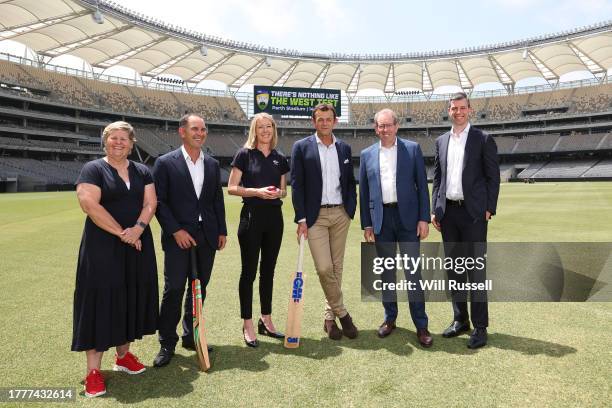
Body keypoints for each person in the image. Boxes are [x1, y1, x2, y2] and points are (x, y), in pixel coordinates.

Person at [72, 121, 158, 397]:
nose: (118, 143)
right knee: (99, 300)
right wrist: (124, 233)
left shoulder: (143, 170)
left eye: (123, 139)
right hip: (102, 247)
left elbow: (150, 203)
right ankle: (93, 373)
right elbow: (89, 204)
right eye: (113, 138)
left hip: (138, 242)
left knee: (129, 296)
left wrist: (139, 230)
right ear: (105, 142)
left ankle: (123, 357)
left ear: (132, 144)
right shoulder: (93, 169)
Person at [152, 113, 227, 367]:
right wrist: (175, 231)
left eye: (203, 129)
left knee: (198, 289)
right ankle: (166, 342)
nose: (200, 133)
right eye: (195, 129)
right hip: (178, 238)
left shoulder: (213, 164)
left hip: (207, 236)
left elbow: (217, 199)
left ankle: (190, 336)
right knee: (174, 289)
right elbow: (158, 202)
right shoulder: (165, 163)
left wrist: (221, 230)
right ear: (182, 132)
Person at [431, 92, 500, 349]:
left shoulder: (483, 139)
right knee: (455, 271)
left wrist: (489, 208)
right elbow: (437, 179)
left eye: (462, 108)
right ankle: (461, 320)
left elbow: (493, 177)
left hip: (473, 214)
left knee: (475, 272)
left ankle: (481, 327)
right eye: (453, 108)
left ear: (470, 110)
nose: (458, 111)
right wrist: (435, 209)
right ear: (448, 111)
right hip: (448, 214)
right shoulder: (441, 141)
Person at [359, 109, 433, 347]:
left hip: (408, 219)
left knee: (413, 274)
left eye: (388, 125)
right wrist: (367, 223)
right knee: (387, 274)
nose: (384, 130)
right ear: (375, 128)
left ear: (397, 126)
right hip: (381, 220)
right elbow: (365, 192)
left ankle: (421, 325)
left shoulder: (412, 149)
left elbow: (422, 186)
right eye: (380, 126)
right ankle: (390, 318)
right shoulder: (367, 154)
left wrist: (424, 219)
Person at [291, 103, 358, 340]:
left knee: (336, 268)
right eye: (320, 119)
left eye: (328, 119)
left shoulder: (344, 148)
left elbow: (350, 181)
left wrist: (350, 208)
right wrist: (301, 218)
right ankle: (344, 314)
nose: (324, 123)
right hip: (314, 217)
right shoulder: (301, 147)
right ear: (314, 122)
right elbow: (297, 185)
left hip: (340, 214)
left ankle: (329, 319)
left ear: (335, 121)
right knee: (324, 268)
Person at [228, 113, 289, 347]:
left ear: (274, 130)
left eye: (269, 126)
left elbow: (284, 191)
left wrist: (276, 193)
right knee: (249, 273)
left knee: (269, 271)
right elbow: (232, 188)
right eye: (261, 127)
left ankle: (267, 319)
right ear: (255, 130)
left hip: (274, 218)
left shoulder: (279, 157)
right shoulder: (244, 154)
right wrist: (257, 191)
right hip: (251, 217)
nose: (265, 130)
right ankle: (248, 323)